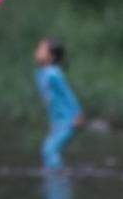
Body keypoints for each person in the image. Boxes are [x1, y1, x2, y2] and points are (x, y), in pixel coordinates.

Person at [34, 38, 85, 170]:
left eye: (41, 50)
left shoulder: (53, 74)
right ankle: (52, 173)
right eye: (38, 48)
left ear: (52, 56)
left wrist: (78, 114)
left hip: (69, 121)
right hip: (58, 121)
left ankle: (58, 176)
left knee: (49, 149)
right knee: (48, 150)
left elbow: (68, 94)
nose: (37, 52)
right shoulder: (41, 74)